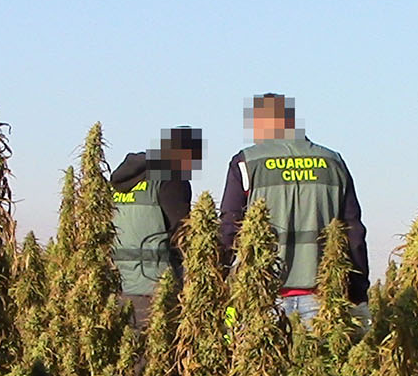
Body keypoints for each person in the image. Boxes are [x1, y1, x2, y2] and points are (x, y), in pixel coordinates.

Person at [218, 93, 369, 324]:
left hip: (263, 297)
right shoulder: (333, 162)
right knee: (321, 360)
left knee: (264, 361)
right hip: (323, 298)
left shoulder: (246, 162)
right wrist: (358, 293)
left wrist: (218, 284)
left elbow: (229, 229)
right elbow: (353, 232)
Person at [110, 126, 202, 324]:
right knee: (159, 351)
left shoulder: (120, 182)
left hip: (121, 286)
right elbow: (182, 233)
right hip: (158, 288)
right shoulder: (170, 178)